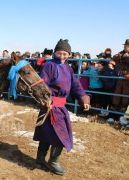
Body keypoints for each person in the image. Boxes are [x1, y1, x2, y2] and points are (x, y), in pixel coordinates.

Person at [33, 39, 90, 175]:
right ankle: (52, 161)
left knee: (47, 133)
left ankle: (41, 158)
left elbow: (76, 85)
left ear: (69, 54)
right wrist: (45, 99)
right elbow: (42, 84)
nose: (62, 56)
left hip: (61, 106)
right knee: (59, 134)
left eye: (65, 53)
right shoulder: (49, 66)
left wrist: (83, 98)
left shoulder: (68, 68)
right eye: (60, 53)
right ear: (55, 52)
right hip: (50, 106)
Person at [110, 39, 129, 118]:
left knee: (125, 94)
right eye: (125, 45)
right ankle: (114, 114)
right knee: (117, 93)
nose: (125, 46)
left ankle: (121, 114)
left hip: (128, 76)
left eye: (127, 45)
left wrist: (124, 58)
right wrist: (123, 57)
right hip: (120, 76)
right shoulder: (121, 52)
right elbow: (115, 57)